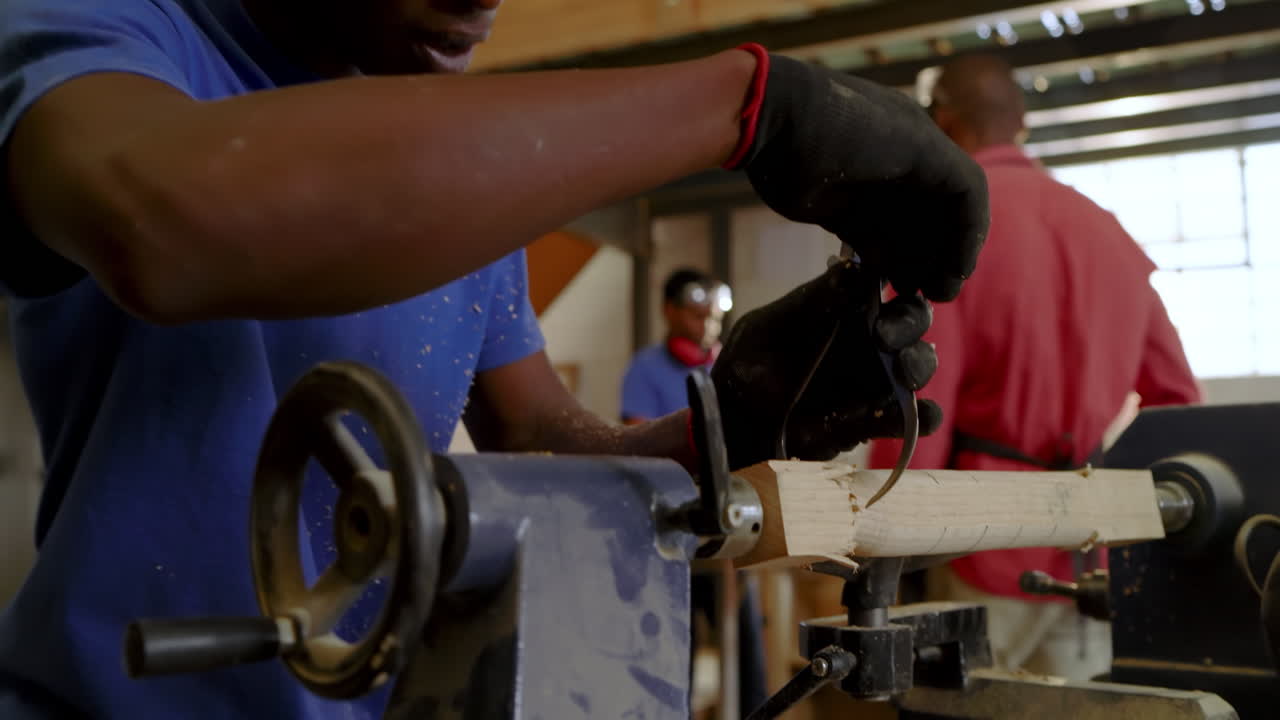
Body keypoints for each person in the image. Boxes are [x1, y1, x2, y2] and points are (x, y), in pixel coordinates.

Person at [0, 0, 988, 716]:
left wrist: (722, 427)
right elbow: (165, 222)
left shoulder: (460, 152)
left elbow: (540, 439)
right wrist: (746, 107)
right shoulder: (104, 30)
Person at [869, 54, 1201, 682]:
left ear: (944, 122)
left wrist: (882, 531)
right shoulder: (1109, 233)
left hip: (979, 545)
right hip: (1089, 553)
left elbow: (920, 395)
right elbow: (1178, 400)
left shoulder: (951, 227)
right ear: (1021, 124)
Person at [621, 268, 730, 424]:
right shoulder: (644, 367)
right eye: (697, 316)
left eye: (715, 318)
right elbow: (638, 439)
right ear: (669, 311)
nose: (708, 326)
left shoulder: (728, 366)